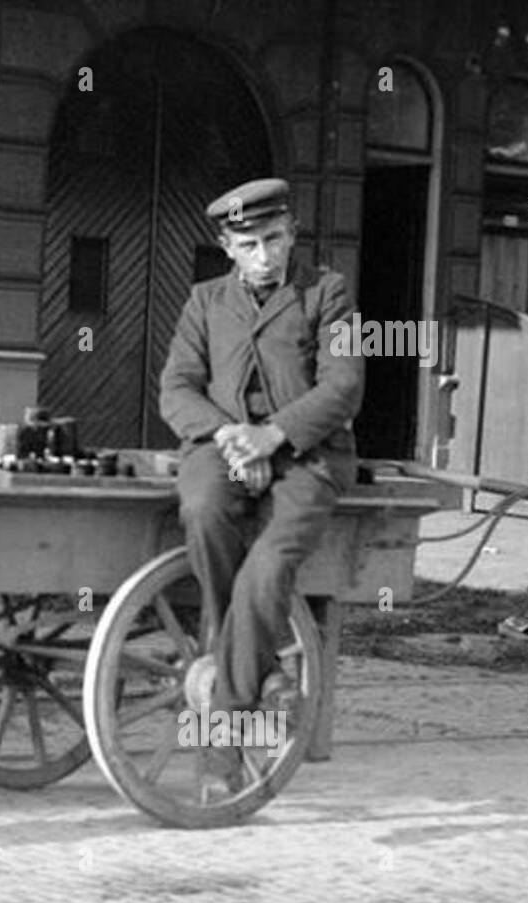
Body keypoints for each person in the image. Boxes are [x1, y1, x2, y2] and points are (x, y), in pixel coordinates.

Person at [158, 177, 365, 789]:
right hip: (221, 451)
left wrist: (271, 436)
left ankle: (224, 735)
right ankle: (266, 670)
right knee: (201, 509)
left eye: (274, 240)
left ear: (292, 232)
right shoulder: (204, 301)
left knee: (269, 567)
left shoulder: (329, 293)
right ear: (227, 245)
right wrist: (229, 437)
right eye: (249, 244)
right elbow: (177, 388)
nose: (265, 256)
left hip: (309, 458)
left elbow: (344, 384)